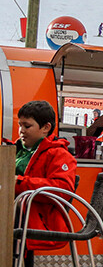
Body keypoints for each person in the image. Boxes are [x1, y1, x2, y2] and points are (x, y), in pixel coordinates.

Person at [11, 101, 76, 257]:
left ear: (46, 128)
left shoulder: (58, 154)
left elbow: (62, 190)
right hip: (16, 214)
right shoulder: (15, 149)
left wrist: (17, 183)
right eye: (20, 125)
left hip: (33, 219)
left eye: (27, 126)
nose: (21, 131)